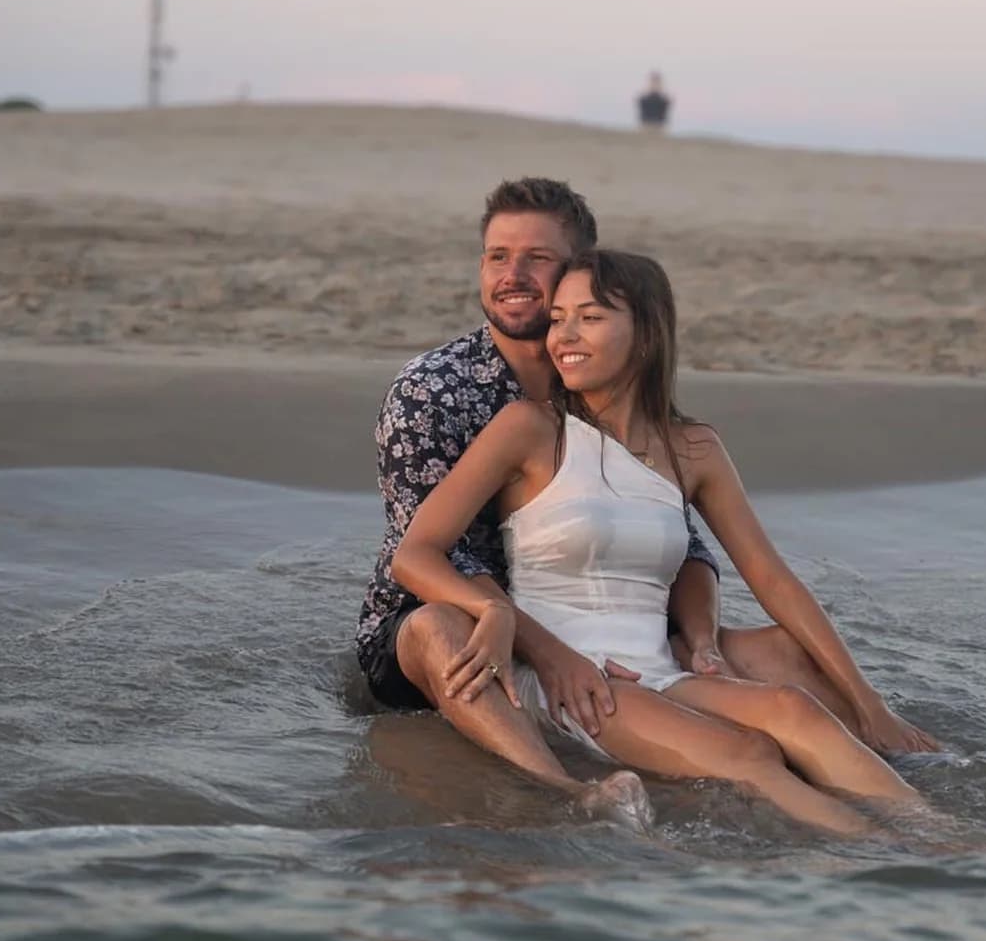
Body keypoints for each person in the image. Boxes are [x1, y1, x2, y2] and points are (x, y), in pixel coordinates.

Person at [353, 179, 937, 817]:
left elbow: (689, 544)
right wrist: (540, 646)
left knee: (788, 673)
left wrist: (702, 635)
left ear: (581, 272)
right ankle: (561, 790)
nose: (514, 275)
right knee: (443, 626)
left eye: (537, 260)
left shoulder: (634, 412)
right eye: (497, 256)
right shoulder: (440, 394)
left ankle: (899, 777)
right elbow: (424, 556)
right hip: (460, 625)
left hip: (621, 627)